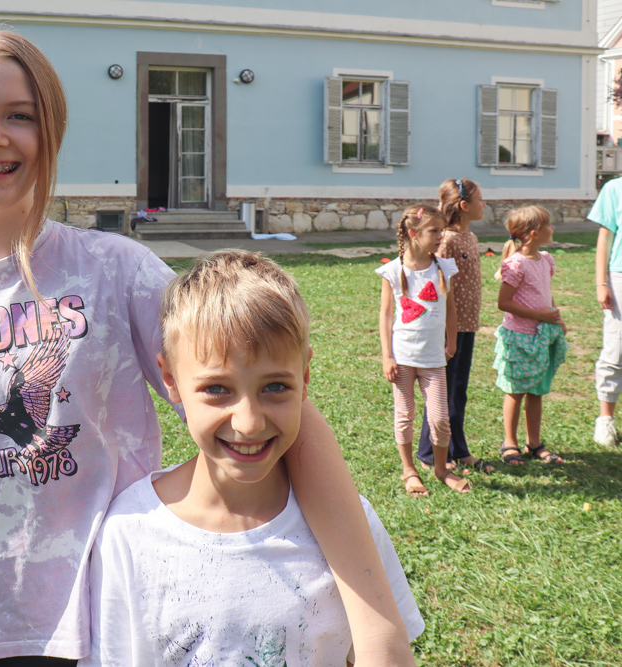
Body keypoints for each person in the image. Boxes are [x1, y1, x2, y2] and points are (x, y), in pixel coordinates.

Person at [0, 26, 415, 667]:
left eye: (20, 116)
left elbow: (262, 389)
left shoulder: (116, 272)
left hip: (117, 628)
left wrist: (375, 623)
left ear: (51, 131)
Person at [81, 250, 425, 667]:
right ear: (169, 378)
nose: (248, 423)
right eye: (217, 389)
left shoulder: (353, 525)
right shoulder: (128, 534)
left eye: (275, 387)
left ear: (305, 376)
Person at [378, 205, 468, 496]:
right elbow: (386, 315)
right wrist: (387, 356)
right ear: (413, 233)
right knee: (404, 416)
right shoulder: (393, 271)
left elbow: (451, 308)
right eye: (435, 231)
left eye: (442, 230)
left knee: (440, 418)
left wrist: (452, 342)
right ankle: (409, 470)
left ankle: (441, 469)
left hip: (433, 360)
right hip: (402, 359)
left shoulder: (444, 267)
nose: (441, 236)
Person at [416, 179, 495, 473]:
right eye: (480, 199)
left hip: (467, 326)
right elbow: (434, 284)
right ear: (464, 206)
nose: (484, 204)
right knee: (442, 390)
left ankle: (458, 450)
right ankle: (429, 453)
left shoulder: (470, 237)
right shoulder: (446, 240)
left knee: (458, 389)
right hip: (448, 329)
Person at [493, 206, 567, 466]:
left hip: (542, 335)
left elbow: (546, 293)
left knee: (536, 390)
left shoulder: (545, 259)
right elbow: (504, 302)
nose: (553, 228)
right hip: (519, 338)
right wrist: (540, 315)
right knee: (516, 391)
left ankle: (533, 442)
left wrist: (556, 318)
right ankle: (510, 443)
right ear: (535, 233)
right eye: (549, 225)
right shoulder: (516, 264)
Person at [588, 177, 622, 447]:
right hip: (620, 277)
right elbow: (605, 238)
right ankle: (606, 419)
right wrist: (602, 283)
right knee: (616, 348)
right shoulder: (615, 189)